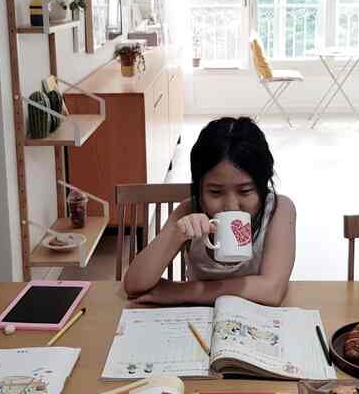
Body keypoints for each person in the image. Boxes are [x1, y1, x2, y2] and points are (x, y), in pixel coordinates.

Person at [123, 117, 296, 307]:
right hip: (198, 318)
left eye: (245, 191)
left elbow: (272, 290)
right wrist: (175, 234)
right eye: (215, 192)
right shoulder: (188, 210)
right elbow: (134, 285)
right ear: (199, 189)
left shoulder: (278, 209)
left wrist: (183, 291)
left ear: (263, 186)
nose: (231, 206)